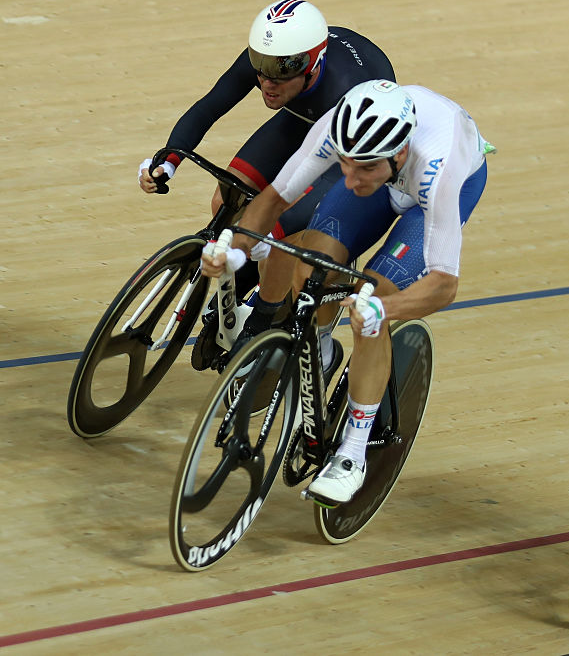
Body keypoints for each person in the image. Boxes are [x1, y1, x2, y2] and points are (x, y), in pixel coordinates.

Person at [201, 79, 493, 504]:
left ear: (400, 152)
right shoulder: (337, 130)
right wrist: (235, 252)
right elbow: (274, 199)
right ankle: (318, 349)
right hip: (390, 180)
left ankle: (352, 455)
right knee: (312, 266)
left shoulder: (439, 170)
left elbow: (444, 286)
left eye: (365, 168)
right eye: (345, 163)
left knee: (372, 298)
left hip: (442, 188)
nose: (352, 179)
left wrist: (384, 309)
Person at [136, 0, 396, 375]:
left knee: (281, 236)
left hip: (346, 140)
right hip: (299, 117)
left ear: (314, 63)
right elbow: (209, 106)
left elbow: (323, 184)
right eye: (261, 66)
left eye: (283, 70)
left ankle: (264, 320)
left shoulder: (348, 90)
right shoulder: (274, 60)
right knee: (225, 199)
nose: (268, 81)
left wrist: (266, 230)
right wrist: (169, 158)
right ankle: (238, 284)